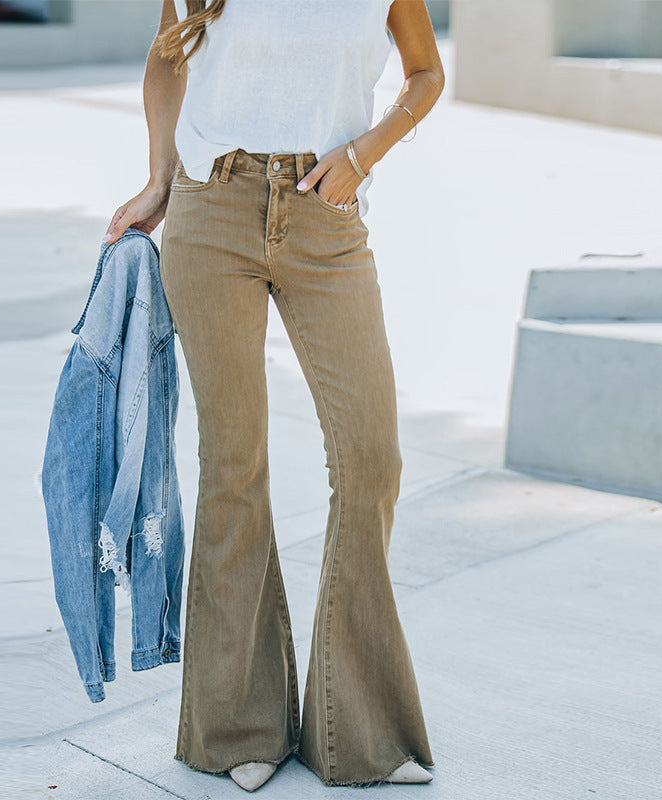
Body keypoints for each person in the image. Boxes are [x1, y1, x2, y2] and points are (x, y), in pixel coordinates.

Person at [102, 0, 445, 791]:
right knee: (233, 463)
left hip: (328, 213)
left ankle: (358, 731)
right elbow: (167, 57)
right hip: (211, 207)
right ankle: (238, 727)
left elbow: (425, 72)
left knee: (372, 457)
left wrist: (366, 153)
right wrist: (159, 173)